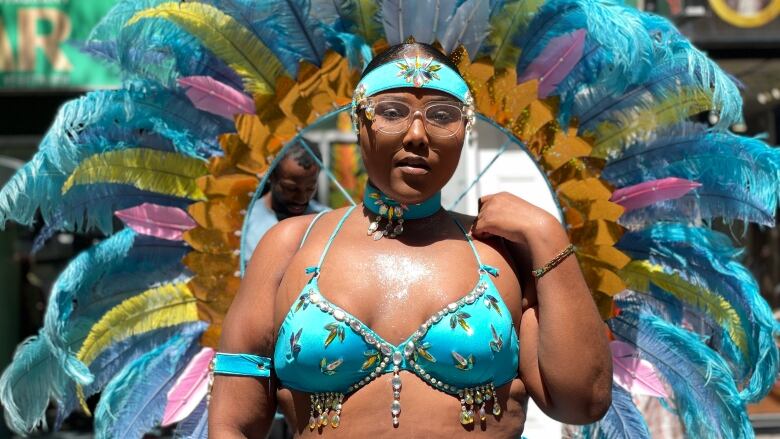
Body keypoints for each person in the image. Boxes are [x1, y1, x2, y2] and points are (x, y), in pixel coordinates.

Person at [208, 42, 612, 438]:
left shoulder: (504, 251)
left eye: (441, 116)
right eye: (391, 112)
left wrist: (547, 235)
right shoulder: (290, 246)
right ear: (358, 120)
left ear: (465, 131)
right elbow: (232, 424)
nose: (417, 134)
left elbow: (582, 402)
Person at [244, 138, 328, 262]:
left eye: (310, 188)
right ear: (271, 176)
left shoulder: (327, 222)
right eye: (291, 188)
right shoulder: (246, 223)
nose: (302, 198)